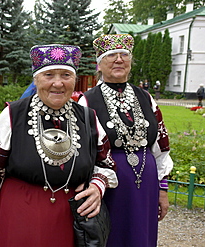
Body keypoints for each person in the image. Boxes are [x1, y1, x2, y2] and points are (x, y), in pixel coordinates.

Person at [0, 44, 118, 247]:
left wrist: (98, 186)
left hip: (70, 222)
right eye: (48, 75)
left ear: (75, 79)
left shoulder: (87, 117)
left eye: (66, 75)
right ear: (36, 79)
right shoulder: (14, 115)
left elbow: (106, 164)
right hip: (19, 218)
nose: (58, 83)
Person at [79, 34, 174, 247]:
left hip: (146, 180)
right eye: (111, 55)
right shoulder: (87, 100)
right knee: (113, 235)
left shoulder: (146, 98)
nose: (119, 59)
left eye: (124, 55)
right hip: (109, 182)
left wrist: (163, 188)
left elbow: (161, 146)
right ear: (100, 64)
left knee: (142, 234)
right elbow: (84, 149)